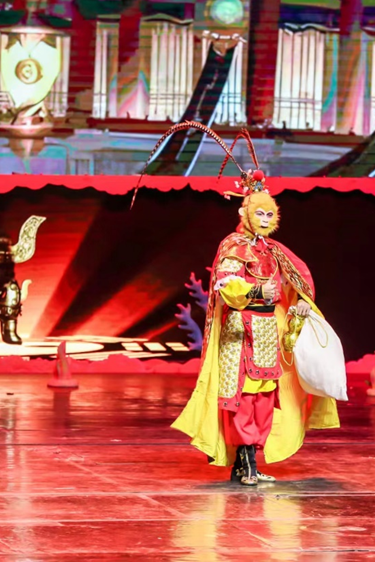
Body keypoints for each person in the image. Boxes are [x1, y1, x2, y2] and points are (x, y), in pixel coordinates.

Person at [134, 122, 341, 486]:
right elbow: (226, 285)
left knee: (265, 399)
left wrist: (300, 303)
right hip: (240, 333)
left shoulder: (273, 251)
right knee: (241, 399)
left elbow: (294, 282)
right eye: (259, 213)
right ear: (246, 214)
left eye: (269, 214)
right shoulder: (234, 246)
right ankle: (243, 464)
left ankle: (250, 464)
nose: (265, 219)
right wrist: (256, 293)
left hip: (268, 335)